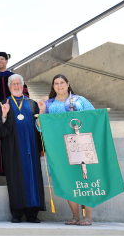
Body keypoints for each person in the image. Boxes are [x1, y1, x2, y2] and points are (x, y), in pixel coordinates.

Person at [37, 74, 95, 226]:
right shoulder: (48, 104)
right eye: (56, 83)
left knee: (84, 180)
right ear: (53, 86)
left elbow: (94, 117)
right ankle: (75, 216)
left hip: (80, 147)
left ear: (68, 84)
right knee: (68, 181)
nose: (59, 85)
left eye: (62, 82)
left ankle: (87, 217)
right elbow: (39, 127)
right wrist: (42, 111)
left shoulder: (80, 100)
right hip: (59, 149)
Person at [0, 74, 45, 223]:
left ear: (23, 85)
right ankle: (16, 213)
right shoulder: (4, 103)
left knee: (33, 178)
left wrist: (42, 112)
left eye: (18, 83)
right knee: (15, 179)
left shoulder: (32, 103)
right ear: (9, 87)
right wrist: (3, 115)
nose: (16, 86)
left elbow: (40, 128)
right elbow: (0, 131)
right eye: (13, 84)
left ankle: (32, 213)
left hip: (31, 148)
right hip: (13, 149)